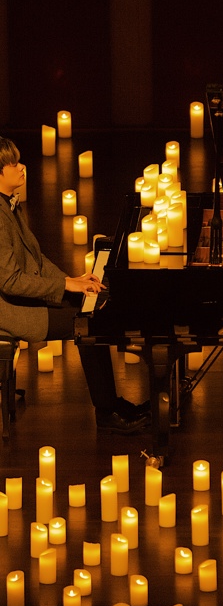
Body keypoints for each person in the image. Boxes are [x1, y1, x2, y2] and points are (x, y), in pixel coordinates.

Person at [0, 136, 149, 434]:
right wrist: (66, 284)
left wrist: (74, 281)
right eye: (13, 163)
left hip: (23, 299)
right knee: (86, 321)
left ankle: (111, 403)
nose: (22, 167)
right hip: (11, 310)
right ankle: (106, 411)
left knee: (92, 306)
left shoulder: (9, 207)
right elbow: (10, 280)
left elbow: (37, 260)